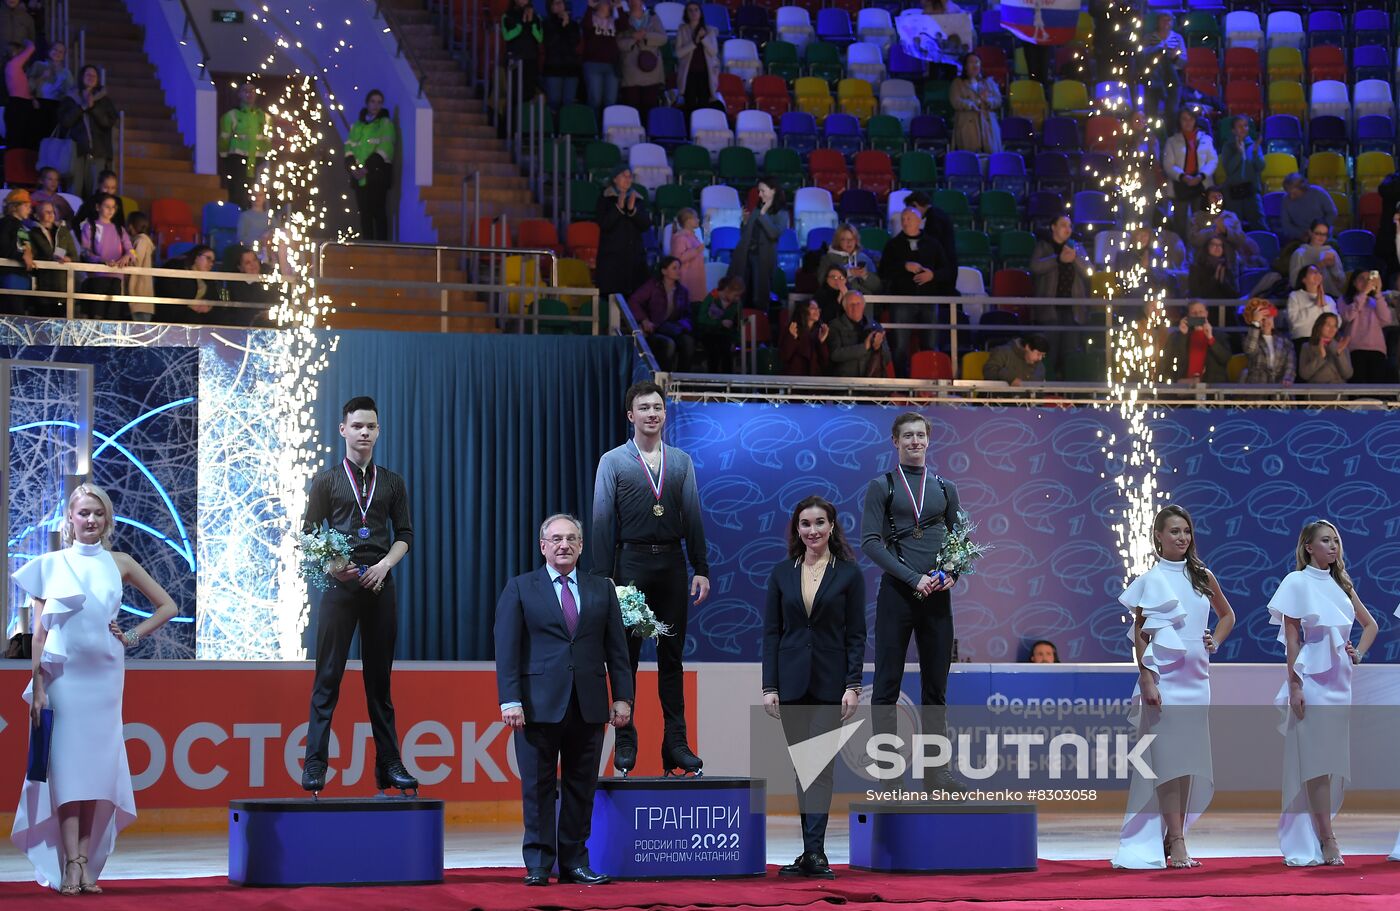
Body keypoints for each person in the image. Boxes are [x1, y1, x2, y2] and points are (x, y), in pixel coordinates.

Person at [11, 483, 178, 894]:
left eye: (98, 513)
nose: (91, 520)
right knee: (67, 773)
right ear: (69, 517)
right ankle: (69, 863)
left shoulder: (119, 561)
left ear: (107, 520)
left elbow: (168, 606)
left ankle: (85, 860)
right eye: (84, 512)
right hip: (63, 679)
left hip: (105, 674)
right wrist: (39, 687)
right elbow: (37, 636)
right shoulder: (50, 564)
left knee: (97, 775)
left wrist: (132, 636)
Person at [495, 513, 633, 887]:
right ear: (543, 546)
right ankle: (539, 864)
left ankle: (574, 863)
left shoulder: (601, 588)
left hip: (588, 705)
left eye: (571, 538)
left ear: (582, 546)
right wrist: (510, 700)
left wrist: (622, 697)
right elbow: (507, 650)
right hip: (536, 707)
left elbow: (616, 650)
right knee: (537, 788)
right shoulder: (521, 588)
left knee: (580, 787)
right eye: (556, 539)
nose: (564, 545)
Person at [299, 396, 418, 797]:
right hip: (339, 589)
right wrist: (333, 564)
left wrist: (386, 565)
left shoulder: (393, 482)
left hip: (380, 586)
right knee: (328, 677)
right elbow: (309, 533)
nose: (364, 432)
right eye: (357, 426)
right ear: (343, 430)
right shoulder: (327, 481)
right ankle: (315, 763)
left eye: (371, 426)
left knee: (379, 682)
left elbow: (405, 535)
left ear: (378, 431)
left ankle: (390, 764)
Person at [590, 381, 710, 776]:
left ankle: (676, 744)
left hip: (672, 566)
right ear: (631, 416)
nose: (653, 414)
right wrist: (603, 577)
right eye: (644, 408)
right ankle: (625, 741)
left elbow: (692, 517)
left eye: (658, 407)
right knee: (625, 658)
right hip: (630, 566)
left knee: (671, 659)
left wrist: (701, 568)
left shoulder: (681, 461)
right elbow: (603, 520)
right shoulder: (613, 461)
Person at [1111, 505, 1235, 869]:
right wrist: (1147, 677)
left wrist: (1215, 640)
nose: (1182, 537)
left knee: (1187, 762)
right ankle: (1177, 840)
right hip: (1164, 680)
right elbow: (1141, 633)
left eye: (1186, 531)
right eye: (1175, 531)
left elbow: (1227, 614)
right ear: (1159, 537)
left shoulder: (1202, 576)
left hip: (1197, 680)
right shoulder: (1151, 579)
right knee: (1166, 761)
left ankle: (1173, 834)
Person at [763, 496, 865, 880]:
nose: (813, 530)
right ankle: (810, 852)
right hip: (790, 684)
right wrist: (769, 685)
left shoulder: (849, 574)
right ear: (798, 530)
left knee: (819, 768)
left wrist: (852, 684)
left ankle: (816, 853)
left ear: (832, 526)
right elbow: (771, 633)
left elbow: (856, 634)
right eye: (805, 524)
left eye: (820, 522)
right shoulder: (780, 573)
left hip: (830, 683)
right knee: (801, 769)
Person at [861, 412, 963, 790]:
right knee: (887, 687)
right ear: (895, 441)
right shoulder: (882, 486)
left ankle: (937, 774)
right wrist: (912, 578)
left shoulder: (944, 486)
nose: (915, 442)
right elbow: (870, 541)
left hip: (936, 599)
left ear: (929, 440)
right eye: (908, 436)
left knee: (935, 689)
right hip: (897, 597)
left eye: (921, 435)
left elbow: (961, 542)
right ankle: (889, 774)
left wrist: (952, 573)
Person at [1268, 520, 1377, 866]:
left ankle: (1321, 832)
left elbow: (1370, 624)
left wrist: (1356, 653)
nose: (1333, 546)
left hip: (1340, 682)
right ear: (1308, 547)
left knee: (1330, 762)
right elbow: (1292, 641)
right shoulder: (1296, 582)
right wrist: (1295, 686)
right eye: (1325, 541)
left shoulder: (1341, 584)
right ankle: (1327, 838)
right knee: (1314, 760)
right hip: (1312, 680)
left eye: (1336, 541)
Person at [879, 207, 947, 372]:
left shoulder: (933, 244)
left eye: (909, 218)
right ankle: (901, 384)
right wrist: (904, 266)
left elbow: (947, 271)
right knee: (900, 345)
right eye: (903, 219)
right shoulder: (893, 245)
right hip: (902, 301)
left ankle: (930, 380)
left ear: (920, 221)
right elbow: (883, 272)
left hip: (928, 300)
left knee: (930, 344)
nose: (905, 222)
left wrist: (933, 275)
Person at [1030, 214, 1090, 379]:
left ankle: (1070, 394)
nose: (1067, 229)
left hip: (1073, 311)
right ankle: (1047, 390)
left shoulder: (1077, 248)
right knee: (1050, 352)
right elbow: (1035, 267)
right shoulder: (1043, 247)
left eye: (1069, 226)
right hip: (1050, 311)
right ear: (1053, 227)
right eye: (1063, 225)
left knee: (1071, 354)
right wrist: (1058, 259)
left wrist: (1074, 258)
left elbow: (1088, 272)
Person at [595, 166, 650, 325]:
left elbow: (645, 224)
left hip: (634, 259)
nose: (628, 179)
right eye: (623, 176)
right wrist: (618, 208)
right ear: (615, 179)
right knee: (612, 300)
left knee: (634, 299)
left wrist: (632, 211)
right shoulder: (605, 199)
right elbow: (605, 225)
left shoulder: (637, 199)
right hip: (612, 260)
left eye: (630, 176)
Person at [728, 177, 788, 314]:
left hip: (763, 257)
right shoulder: (757, 209)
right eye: (758, 191)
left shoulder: (782, 213)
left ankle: (760, 325)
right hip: (745, 255)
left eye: (762, 191)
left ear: (773, 191)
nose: (759, 195)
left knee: (759, 296)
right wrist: (744, 222)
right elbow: (746, 233)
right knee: (743, 293)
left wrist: (762, 215)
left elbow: (774, 234)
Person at [345, 89, 396, 242]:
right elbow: (349, 148)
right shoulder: (357, 125)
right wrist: (352, 168)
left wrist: (366, 168)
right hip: (360, 178)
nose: (376, 105)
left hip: (377, 177)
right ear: (367, 103)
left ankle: (381, 246)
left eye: (379, 102)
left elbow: (386, 147)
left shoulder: (385, 123)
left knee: (378, 212)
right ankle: (367, 245)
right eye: (373, 101)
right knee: (364, 214)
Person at [628, 255, 695, 371]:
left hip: (674, 328)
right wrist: (644, 320)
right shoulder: (652, 286)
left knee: (688, 343)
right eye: (674, 268)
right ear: (664, 271)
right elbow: (634, 300)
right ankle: (664, 380)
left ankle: (682, 381)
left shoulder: (682, 291)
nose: (678, 271)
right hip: (655, 329)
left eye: (679, 268)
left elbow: (687, 314)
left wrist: (683, 325)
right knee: (668, 344)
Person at [76, 192, 132, 320]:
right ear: (98, 207)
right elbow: (85, 251)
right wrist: (102, 260)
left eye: (113, 207)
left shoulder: (120, 229)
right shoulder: (90, 226)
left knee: (112, 316)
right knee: (97, 315)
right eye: (107, 206)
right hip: (97, 276)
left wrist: (127, 256)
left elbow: (131, 249)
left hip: (116, 277)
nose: (110, 210)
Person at [1162, 108, 1216, 237]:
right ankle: (1181, 252)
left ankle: (1199, 254)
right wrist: (1182, 176)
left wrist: (1201, 175)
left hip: (1200, 184)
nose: (1188, 122)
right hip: (1180, 185)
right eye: (1184, 119)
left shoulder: (1206, 139)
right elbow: (1168, 164)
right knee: (1180, 224)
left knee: (1200, 223)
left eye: (1191, 119)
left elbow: (1212, 161)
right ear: (1179, 121)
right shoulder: (1172, 141)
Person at [218, 82, 269, 209]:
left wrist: (264, 160)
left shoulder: (265, 117)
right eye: (245, 91)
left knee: (255, 195)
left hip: (257, 162)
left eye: (252, 91)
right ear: (239, 94)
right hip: (236, 161)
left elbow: (267, 141)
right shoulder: (231, 115)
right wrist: (225, 159)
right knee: (237, 194)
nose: (249, 94)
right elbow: (223, 139)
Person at [1340, 270, 1397, 385]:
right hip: (1355, 348)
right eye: (1362, 278)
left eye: (1369, 279)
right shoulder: (1345, 299)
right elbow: (1347, 317)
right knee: (1357, 387)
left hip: (1377, 349)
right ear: (1354, 282)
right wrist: (1363, 294)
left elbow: (1386, 320)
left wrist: (1378, 293)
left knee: (1376, 389)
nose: (1366, 282)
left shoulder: (1376, 300)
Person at [26, 198, 76, 314]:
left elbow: (74, 255)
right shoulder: (32, 234)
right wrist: (49, 259)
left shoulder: (63, 232)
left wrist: (68, 259)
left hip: (62, 287)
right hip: (43, 286)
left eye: (52, 211)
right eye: (46, 211)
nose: (51, 214)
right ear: (37, 215)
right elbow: (33, 255)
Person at [618, 0, 667, 118]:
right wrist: (633, 38)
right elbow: (618, 43)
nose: (633, 2)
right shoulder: (622, 19)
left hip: (651, 70)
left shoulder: (653, 18)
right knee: (631, 110)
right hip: (630, 71)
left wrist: (645, 36)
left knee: (650, 110)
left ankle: (649, 135)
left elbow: (663, 38)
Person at [1217, 115, 1265, 231]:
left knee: (1260, 224)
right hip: (1233, 192)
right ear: (1233, 130)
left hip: (1251, 191)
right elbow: (1229, 169)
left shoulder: (1254, 145)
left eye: (1245, 126)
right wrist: (1239, 153)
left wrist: (1254, 152)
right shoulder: (1228, 147)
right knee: (1234, 227)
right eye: (1239, 126)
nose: (1243, 129)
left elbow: (1260, 166)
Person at [827, 290, 890, 377]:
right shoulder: (835, 326)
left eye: (858, 304)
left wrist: (878, 348)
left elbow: (887, 358)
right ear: (844, 307)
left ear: (863, 306)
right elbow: (835, 354)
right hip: (845, 382)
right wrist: (864, 347)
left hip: (871, 383)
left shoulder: (875, 326)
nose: (855, 307)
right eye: (851, 304)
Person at [1165, 301, 1231, 384]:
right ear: (1188, 316)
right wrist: (1183, 335)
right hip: (1186, 386)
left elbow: (1225, 358)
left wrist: (1210, 338)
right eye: (1194, 313)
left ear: (1206, 314)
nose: (1198, 315)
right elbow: (1174, 358)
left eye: (1201, 312)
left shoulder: (1219, 336)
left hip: (1211, 386)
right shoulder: (1179, 336)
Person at [949, 52, 1002, 153]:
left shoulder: (988, 82)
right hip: (967, 124)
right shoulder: (958, 83)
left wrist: (988, 101)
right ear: (965, 66)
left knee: (990, 157)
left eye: (977, 62)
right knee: (970, 157)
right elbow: (955, 101)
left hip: (988, 126)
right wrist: (972, 103)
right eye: (971, 62)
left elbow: (998, 100)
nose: (975, 65)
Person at [152, 243, 216, 324]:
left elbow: (215, 297)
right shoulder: (177, 267)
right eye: (208, 258)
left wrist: (208, 306)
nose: (211, 263)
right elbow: (167, 290)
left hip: (198, 317)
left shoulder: (209, 280)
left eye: (213, 261)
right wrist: (189, 304)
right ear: (196, 257)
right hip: (173, 316)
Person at [1286, 264, 1338, 362]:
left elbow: (1336, 322)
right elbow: (1294, 322)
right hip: (1303, 341)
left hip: (1326, 342)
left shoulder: (1328, 299)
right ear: (1304, 279)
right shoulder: (1295, 296)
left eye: (1319, 272)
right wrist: (1315, 306)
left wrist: (1324, 305)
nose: (1317, 274)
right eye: (1313, 272)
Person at [1142, 13, 1185, 128]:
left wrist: (1175, 57)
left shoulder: (1178, 38)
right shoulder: (1148, 38)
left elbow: (1183, 62)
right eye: (1163, 20)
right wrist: (1158, 50)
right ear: (1158, 22)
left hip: (1173, 79)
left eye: (1169, 20)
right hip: (1153, 77)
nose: (1166, 23)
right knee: (1151, 112)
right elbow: (1142, 56)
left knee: (1172, 112)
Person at [693, 273, 743, 373]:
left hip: (725, 336)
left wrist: (735, 341)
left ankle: (727, 383)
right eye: (736, 295)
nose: (738, 298)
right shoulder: (712, 298)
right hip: (708, 333)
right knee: (714, 351)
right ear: (728, 290)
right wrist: (720, 323)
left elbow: (738, 325)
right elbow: (701, 319)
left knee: (726, 352)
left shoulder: (737, 304)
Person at [674, 2, 718, 114]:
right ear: (686, 13)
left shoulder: (709, 30)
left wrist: (704, 38)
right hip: (689, 74)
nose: (693, 13)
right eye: (690, 10)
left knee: (704, 106)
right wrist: (694, 42)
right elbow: (678, 53)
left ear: (700, 12)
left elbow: (714, 51)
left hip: (705, 74)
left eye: (696, 9)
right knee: (690, 106)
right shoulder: (682, 30)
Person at [817, 225, 882, 299]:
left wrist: (865, 275)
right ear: (838, 241)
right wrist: (847, 273)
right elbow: (821, 282)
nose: (849, 242)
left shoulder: (865, 259)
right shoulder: (828, 259)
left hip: (865, 304)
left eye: (852, 239)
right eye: (844, 239)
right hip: (837, 303)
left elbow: (877, 287)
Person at [580, 0, 621, 115]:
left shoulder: (615, 21)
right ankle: (593, 130)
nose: (607, 3)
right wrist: (590, 7)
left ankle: (608, 129)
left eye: (609, 2)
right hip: (593, 64)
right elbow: (585, 26)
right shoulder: (590, 18)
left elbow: (625, 26)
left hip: (612, 65)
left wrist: (618, 6)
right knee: (595, 99)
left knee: (611, 101)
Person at [1241, 298, 1295, 385]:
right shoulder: (1250, 338)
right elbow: (1250, 349)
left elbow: (1290, 365)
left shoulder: (1285, 341)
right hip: (1257, 389)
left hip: (1280, 390)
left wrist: (1287, 379)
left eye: (1268, 316)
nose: (1266, 321)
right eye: (1262, 318)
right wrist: (1255, 323)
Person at [222, 243, 276, 327]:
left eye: (254, 260)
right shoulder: (236, 286)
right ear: (240, 267)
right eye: (247, 263)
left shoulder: (270, 280)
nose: (253, 265)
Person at [542, 0, 582, 112]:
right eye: (555, 3)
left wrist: (567, 24)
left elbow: (575, 41)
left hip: (571, 68)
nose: (559, 5)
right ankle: (553, 128)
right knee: (554, 100)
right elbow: (549, 42)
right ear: (550, 7)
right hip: (553, 67)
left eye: (561, 2)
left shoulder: (573, 24)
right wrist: (561, 26)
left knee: (568, 102)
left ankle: (566, 128)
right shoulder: (546, 23)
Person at [1287, 220, 1345, 297]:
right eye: (1318, 233)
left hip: (1329, 295)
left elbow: (1341, 282)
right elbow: (1294, 281)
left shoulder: (1331, 252)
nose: (1321, 237)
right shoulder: (1299, 253)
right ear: (1310, 233)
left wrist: (1333, 268)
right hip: (1306, 296)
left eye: (1324, 234)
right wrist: (1320, 265)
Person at [503, 0, 544, 104]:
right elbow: (507, 36)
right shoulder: (507, 15)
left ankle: (526, 118)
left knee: (529, 92)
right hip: (514, 58)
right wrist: (520, 25)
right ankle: (512, 118)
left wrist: (531, 24)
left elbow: (539, 39)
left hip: (530, 58)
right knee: (514, 91)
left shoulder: (537, 17)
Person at [1280, 174, 1337, 244]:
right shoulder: (1286, 200)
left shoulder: (1318, 193)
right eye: (1289, 193)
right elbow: (1286, 225)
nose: (1291, 197)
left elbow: (1332, 213)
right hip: (1299, 238)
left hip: (1322, 235)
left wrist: (1319, 232)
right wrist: (1301, 235)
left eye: (1294, 193)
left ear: (1303, 188)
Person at [1297, 312, 1352, 384]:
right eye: (1328, 325)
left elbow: (1348, 375)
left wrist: (1339, 353)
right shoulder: (1307, 347)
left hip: (1338, 392)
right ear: (1320, 326)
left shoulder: (1341, 346)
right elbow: (1304, 375)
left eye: (1335, 326)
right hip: (1317, 392)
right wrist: (1321, 357)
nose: (1332, 329)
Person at [780, 297, 830, 376]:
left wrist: (821, 342)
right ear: (803, 310)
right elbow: (784, 356)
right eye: (813, 308)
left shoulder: (819, 332)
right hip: (795, 378)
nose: (817, 311)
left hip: (814, 380)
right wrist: (792, 338)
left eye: (818, 309)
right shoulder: (793, 329)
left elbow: (825, 362)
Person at [123, 212, 157, 322]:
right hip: (137, 296)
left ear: (131, 226)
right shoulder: (140, 240)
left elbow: (136, 260)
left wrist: (125, 255)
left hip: (140, 295)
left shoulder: (141, 241)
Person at [668, 207, 706, 303]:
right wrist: (697, 251)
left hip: (695, 277)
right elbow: (678, 258)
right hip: (687, 278)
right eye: (695, 218)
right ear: (688, 221)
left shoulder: (692, 236)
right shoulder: (681, 238)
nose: (698, 220)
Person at [983, 334, 1048, 385]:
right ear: (1027, 347)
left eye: (1043, 355)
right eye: (1038, 354)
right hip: (995, 400)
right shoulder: (1003, 352)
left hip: (1024, 401)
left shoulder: (1040, 367)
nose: (1040, 358)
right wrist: (1010, 378)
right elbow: (988, 371)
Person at [1188, 235, 1238, 300]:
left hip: (1225, 308)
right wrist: (1215, 279)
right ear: (1207, 248)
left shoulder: (1227, 268)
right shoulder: (1196, 268)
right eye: (1214, 244)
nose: (1217, 247)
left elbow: (1235, 295)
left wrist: (1223, 282)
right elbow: (1196, 294)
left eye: (1220, 245)